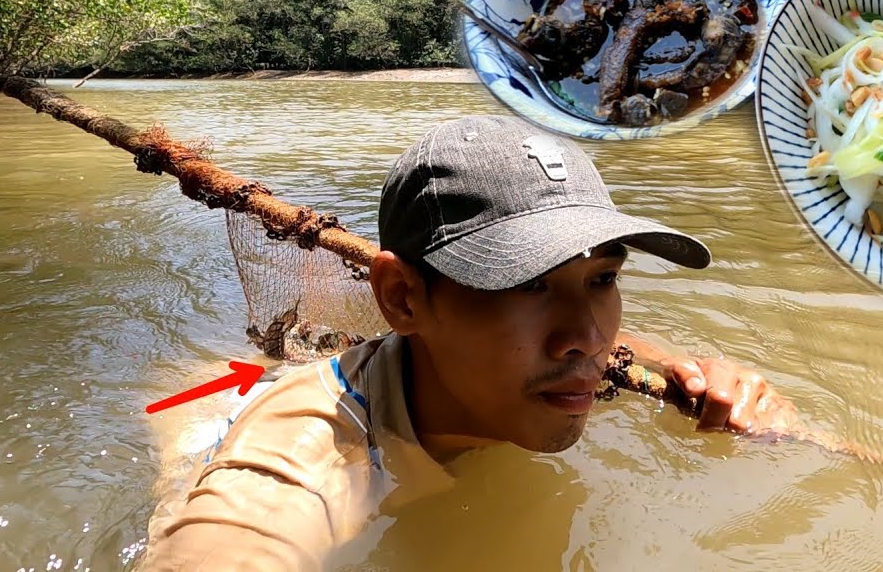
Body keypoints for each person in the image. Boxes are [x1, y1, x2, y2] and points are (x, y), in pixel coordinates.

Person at [139, 114, 800, 571]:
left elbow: (609, 336)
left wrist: (700, 370)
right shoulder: (300, 469)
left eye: (601, 277)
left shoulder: (564, 357)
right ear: (402, 298)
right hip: (204, 410)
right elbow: (246, 529)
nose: (587, 339)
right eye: (525, 283)